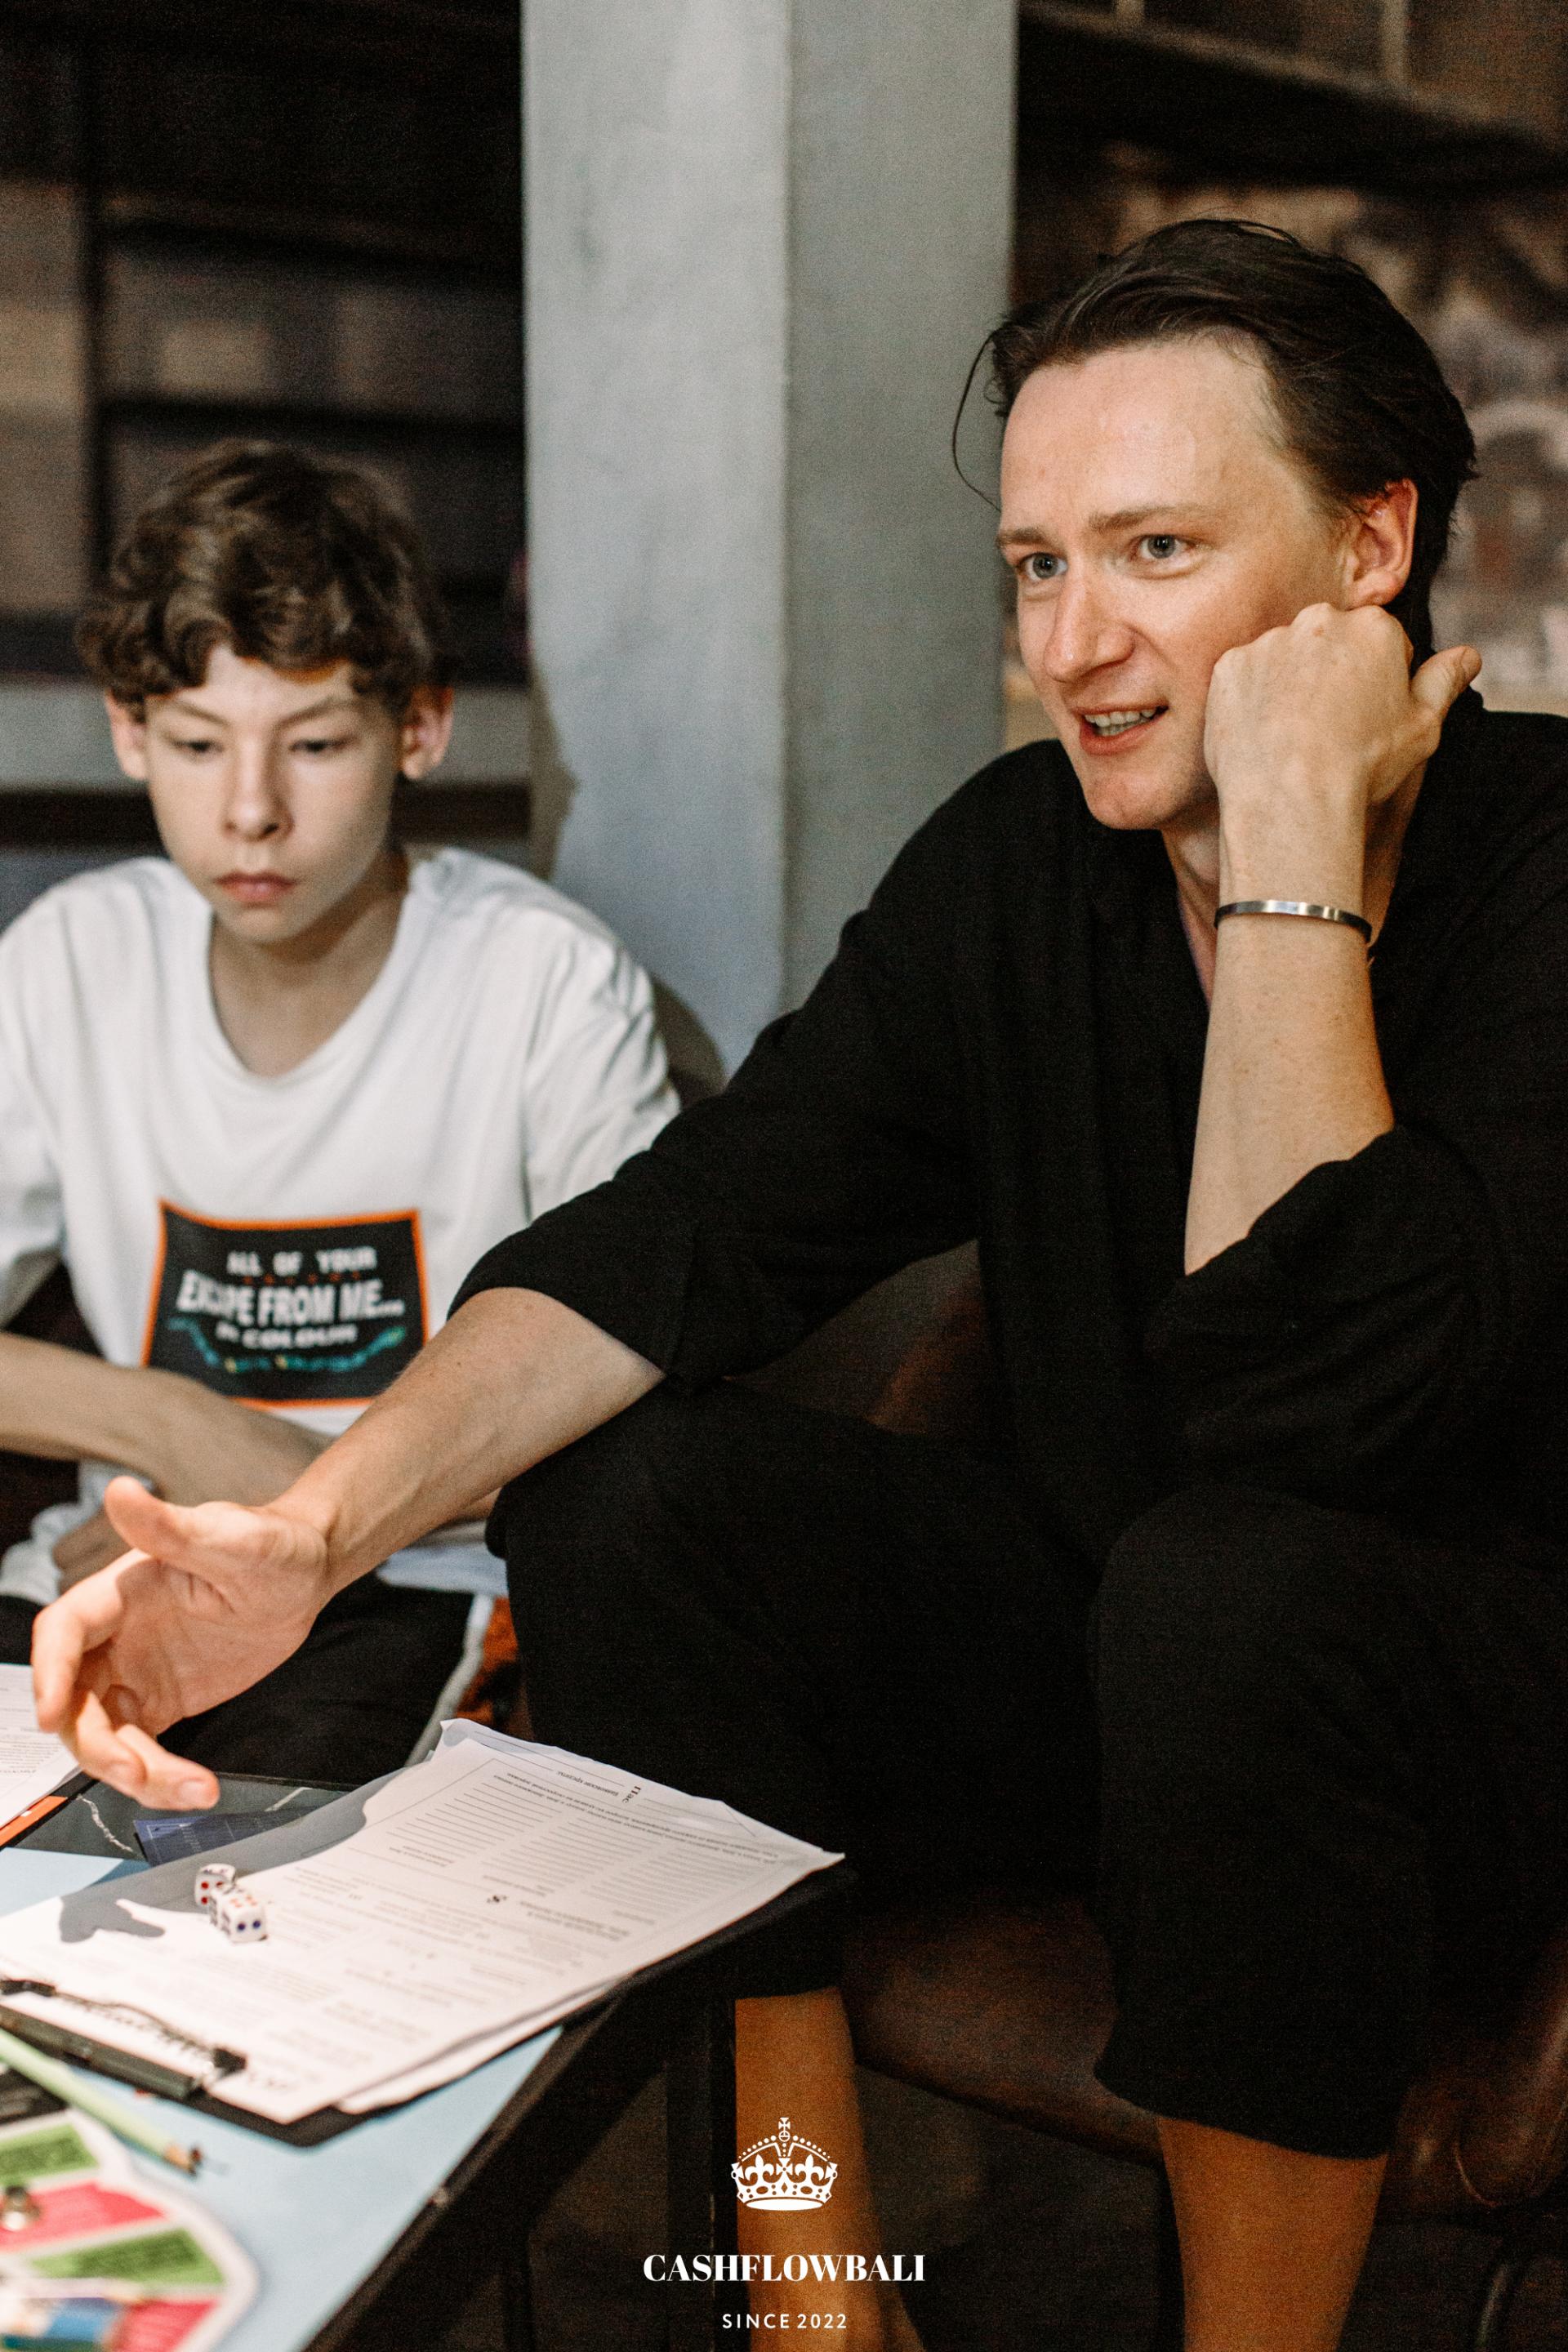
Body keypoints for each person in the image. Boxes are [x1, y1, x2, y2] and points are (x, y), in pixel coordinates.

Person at [31, 221, 1568, 2351]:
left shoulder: (1544, 863)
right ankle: (816, 2294)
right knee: (635, 1488)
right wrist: (308, 1534)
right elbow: (692, 1229)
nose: (1076, 641)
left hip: (1454, 1761)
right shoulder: (1023, 860)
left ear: (1369, 545)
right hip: (1122, 1682)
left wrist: (1295, 847)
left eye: (1155, 549)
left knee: (1231, 1579)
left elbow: (1306, 1401)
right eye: (1036, 564)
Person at [2, 440, 676, 1782]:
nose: (250, 812)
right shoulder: (73, 959)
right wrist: (170, 1426)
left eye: (313, 745)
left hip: (418, 1589)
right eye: (197, 745)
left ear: (418, 728)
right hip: (118, 1565)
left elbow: (635, 1400)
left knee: (249, 1870)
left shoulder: (542, 982)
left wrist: (297, 1491)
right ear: (129, 733)